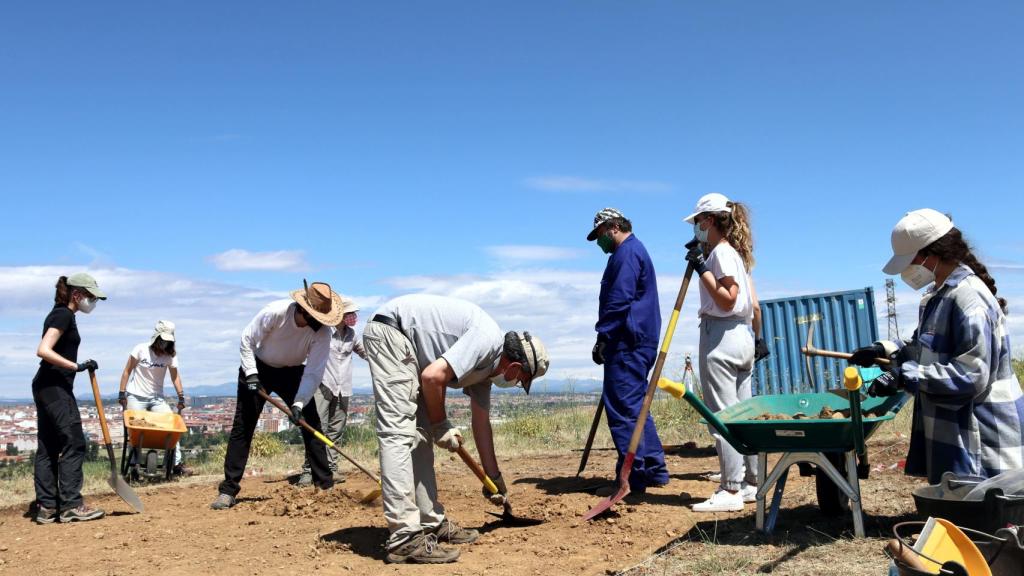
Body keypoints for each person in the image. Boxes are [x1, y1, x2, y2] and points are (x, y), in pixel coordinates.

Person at [363, 294, 549, 564]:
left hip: (412, 349)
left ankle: (430, 523)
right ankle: (404, 538)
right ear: (516, 367)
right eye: (522, 380)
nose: (518, 384)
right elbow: (432, 377)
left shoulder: (485, 373)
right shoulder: (486, 340)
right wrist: (442, 425)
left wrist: (494, 477)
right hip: (393, 333)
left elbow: (481, 424)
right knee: (399, 433)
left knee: (421, 436)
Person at [849, 209, 1024, 484]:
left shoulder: (969, 298)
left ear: (931, 253)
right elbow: (923, 345)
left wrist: (903, 376)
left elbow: (972, 374)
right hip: (956, 431)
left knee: (984, 518)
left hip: (981, 435)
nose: (907, 270)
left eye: (910, 261)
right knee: (958, 514)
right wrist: (882, 349)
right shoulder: (939, 295)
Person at [210, 280, 343, 510]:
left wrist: (299, 403)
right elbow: (246, 340)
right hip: (258, 367)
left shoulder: (323, 334)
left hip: (292, 373)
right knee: (243, 426)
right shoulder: (275, 312)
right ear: (303, 310)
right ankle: (228, 490)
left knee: (311, 423)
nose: (321, 323)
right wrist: (251, 374)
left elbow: (313, 372)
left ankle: (325, 486)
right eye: (316, 317)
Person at [683, 193, 763, 512]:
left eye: (699, 222)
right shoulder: (736, 256)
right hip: (742, 334)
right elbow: (749, 303)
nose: (696, 228)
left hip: (722, 334)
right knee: (744, 414)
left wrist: (701, 268)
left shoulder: (720, 254)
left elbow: (728, 299)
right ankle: (751, 483)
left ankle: (730, 489)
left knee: (723, 416)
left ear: (710, 220)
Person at [585, 208, 670, 496]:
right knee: (636, 405)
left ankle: (633, 476)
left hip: (627, 340)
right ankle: (654, 469)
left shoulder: (626, 254)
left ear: (613, 227)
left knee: (622, 408)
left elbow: (619, 299)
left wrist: (603, 336)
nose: (599, 242)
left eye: (599, 235)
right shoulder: (631, 252)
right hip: (637, 338)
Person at [31, 273, 107, 524]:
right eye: (91, 296)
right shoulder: (63, 314)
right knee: (74, 442)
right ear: (77, 295)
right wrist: (75, 366)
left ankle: (47, 507)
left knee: (48, 446)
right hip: (54, 387)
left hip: (45, 385)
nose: (93, 301)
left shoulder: (61, 314)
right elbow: (43, 349)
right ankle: (71, 505)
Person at [297, 297, 366, 486]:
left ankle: (331, 467)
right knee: (316, 429)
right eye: (349, 314)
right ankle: (308, 470)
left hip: (343, 388)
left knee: (336, 430)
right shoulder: (322, 332)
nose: (352, 317)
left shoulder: (352, 335)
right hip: (322, 385)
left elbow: (365, 352)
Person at [117, 320, 191, 476]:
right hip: (136, 396)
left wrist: (181, 396)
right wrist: (122, 392)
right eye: (162, 340)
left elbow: (175, 376)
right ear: (156, 337)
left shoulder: (170, 356)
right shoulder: (140, 349)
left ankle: (175, 464)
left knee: (172, 426)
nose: (164, 344)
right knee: (135, 429)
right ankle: (134, 466)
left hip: (157, 398)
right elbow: (127, 371)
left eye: (168, 341)